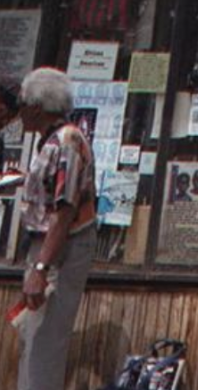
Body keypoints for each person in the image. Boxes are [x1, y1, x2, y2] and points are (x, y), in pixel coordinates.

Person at [14, 67, 98, 390]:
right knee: (32, 337)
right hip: (45, 245)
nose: (19, 110)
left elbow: (65, 210)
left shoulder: (67, 140)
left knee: (44, 343)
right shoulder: (51, 141)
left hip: (61, 249)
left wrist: (40, 267)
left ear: (37, 106)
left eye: (22, 103)